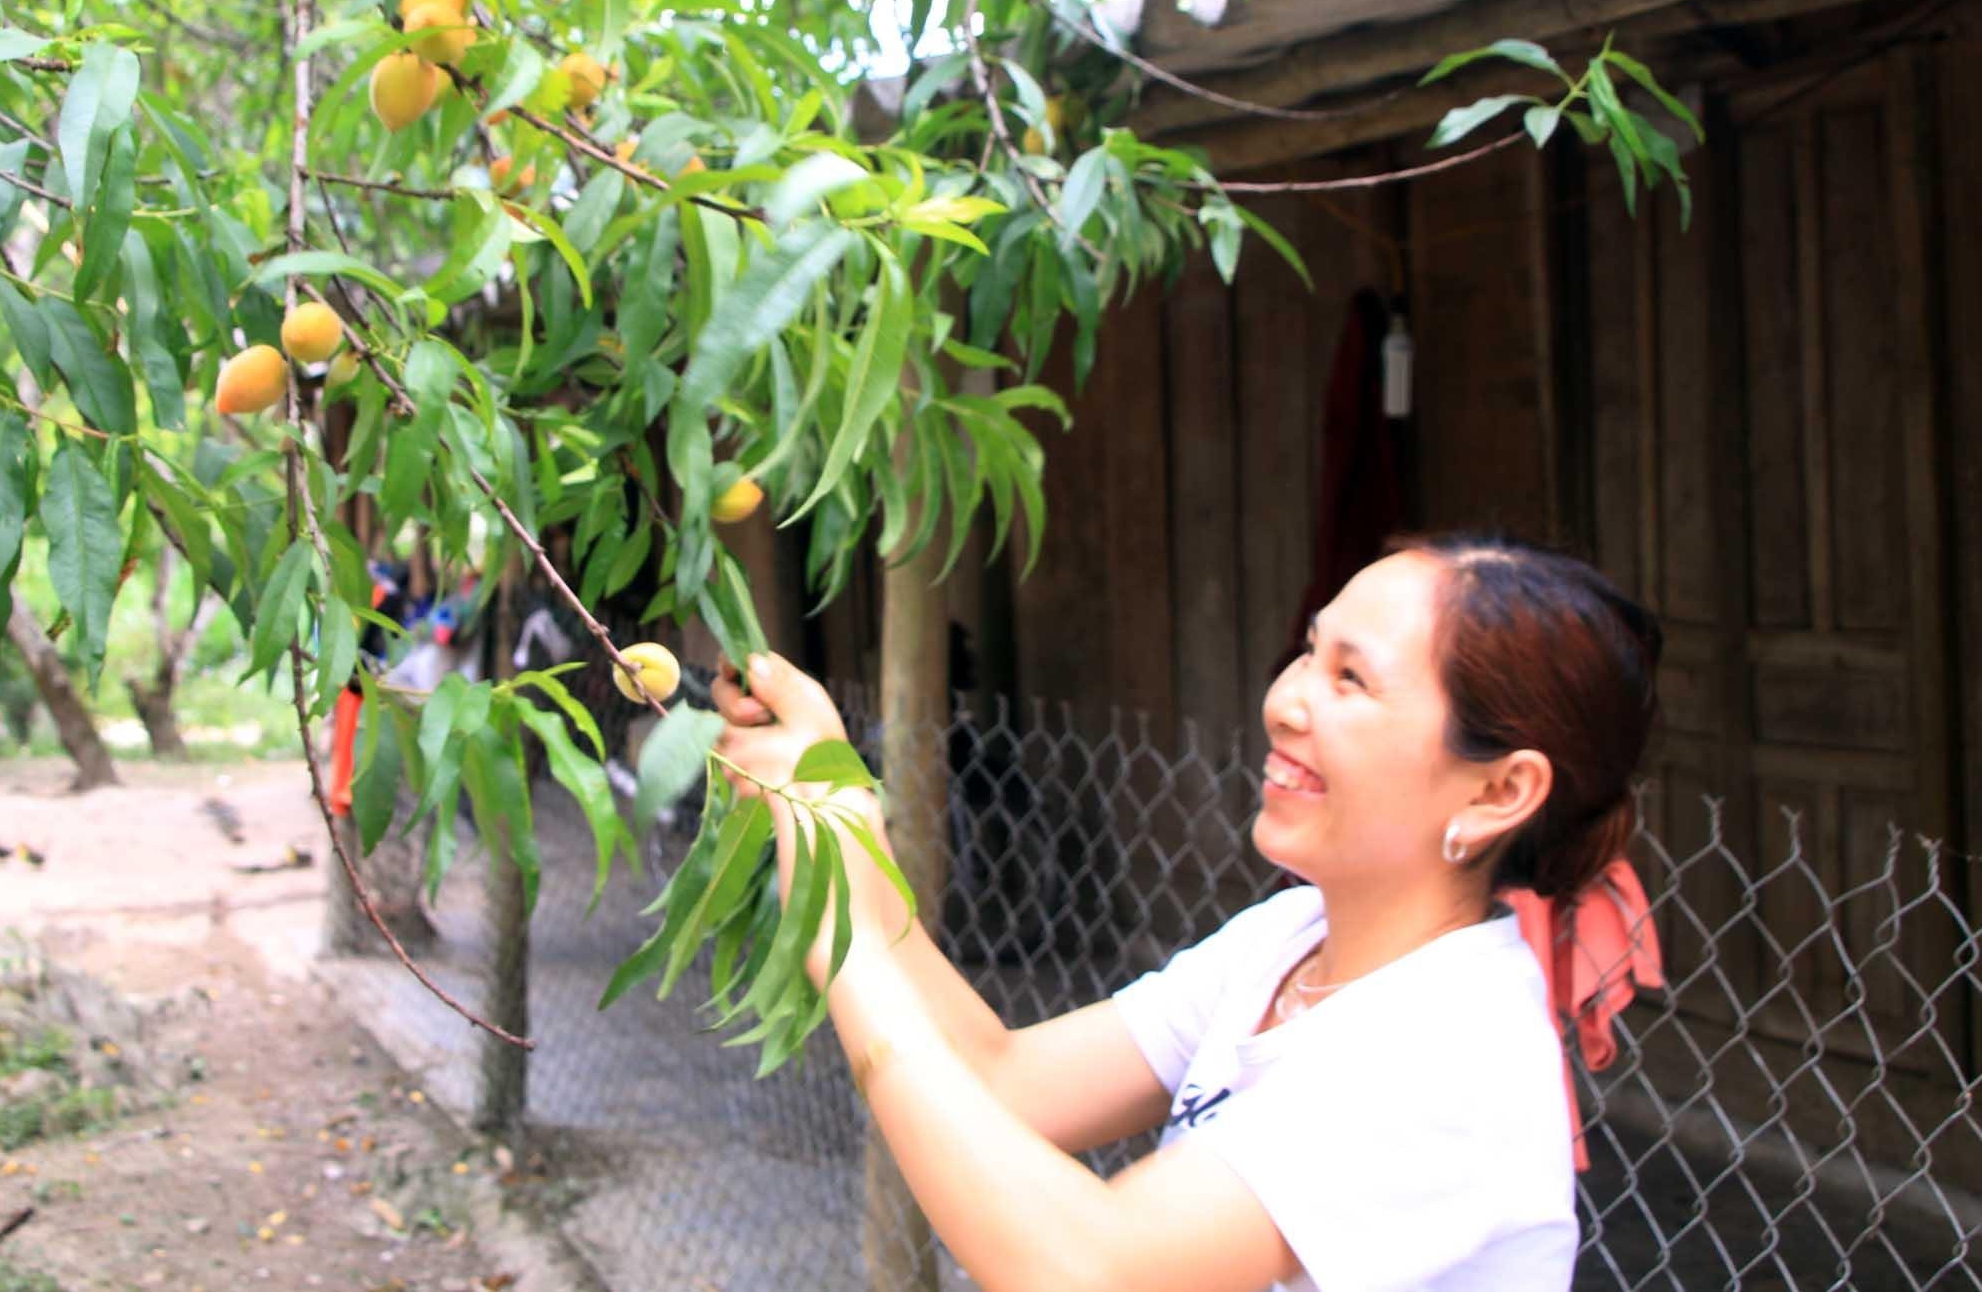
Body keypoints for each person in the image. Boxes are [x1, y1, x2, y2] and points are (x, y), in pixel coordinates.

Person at [708, 532, 1660, 1292]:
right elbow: (1006, 1079)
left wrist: (844, 944)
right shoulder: (1294, 939)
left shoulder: (1450, 1052)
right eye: (1307, 650)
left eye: (1350, 679)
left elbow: (1089, 1268)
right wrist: (838, 832)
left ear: (1499, 792)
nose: (1285, 699)